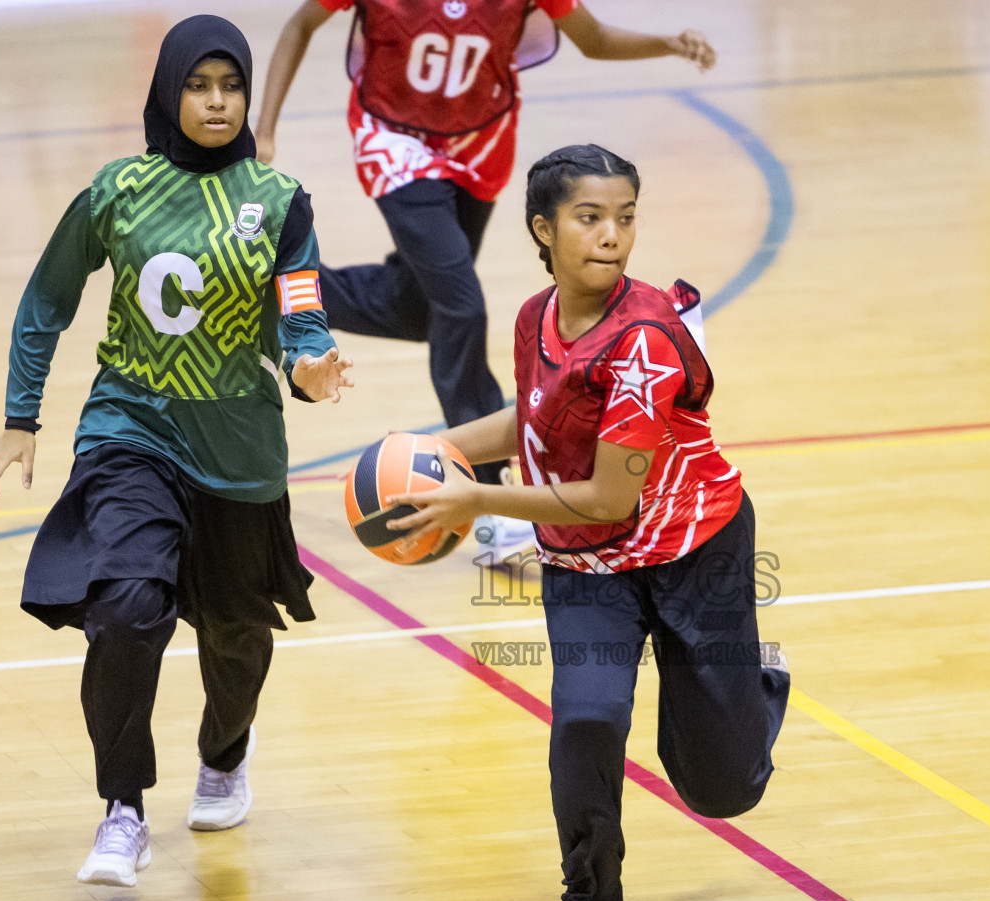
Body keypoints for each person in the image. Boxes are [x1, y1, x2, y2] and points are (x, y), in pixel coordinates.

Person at [385, 144, 790, 901]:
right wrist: (442, 451)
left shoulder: (643, 340)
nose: (613, 236)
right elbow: (529, 421)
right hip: (589, 566)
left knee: (720, 790)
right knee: (586, 724)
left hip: (695, 550)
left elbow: (609, 494)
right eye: (590, 218)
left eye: (627, 218)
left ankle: (758, 693)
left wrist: (476, 504)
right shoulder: (536, 317)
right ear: (543, 228)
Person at [0, 15, 353, 888]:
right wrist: (19, 418)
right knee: (125, 608)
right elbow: (46, 299)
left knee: (236, 635)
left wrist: (311, 368)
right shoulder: (119, 191)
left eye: (231, 87)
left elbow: (300, 319)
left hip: (239, 451)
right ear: (168, 91)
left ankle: (225, 751)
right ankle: (122, 810)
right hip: (130, 430)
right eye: (198, 85)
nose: (217, 102)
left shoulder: (281, 200)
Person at [254, 0, 716, 559]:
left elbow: (591, 39)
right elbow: (301, 23)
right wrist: (266, 130)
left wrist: (668, 42)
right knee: (463, 306)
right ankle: (490, 494)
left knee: (419, 306)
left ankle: (273, 287)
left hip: (480, 144)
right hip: (394, 142)